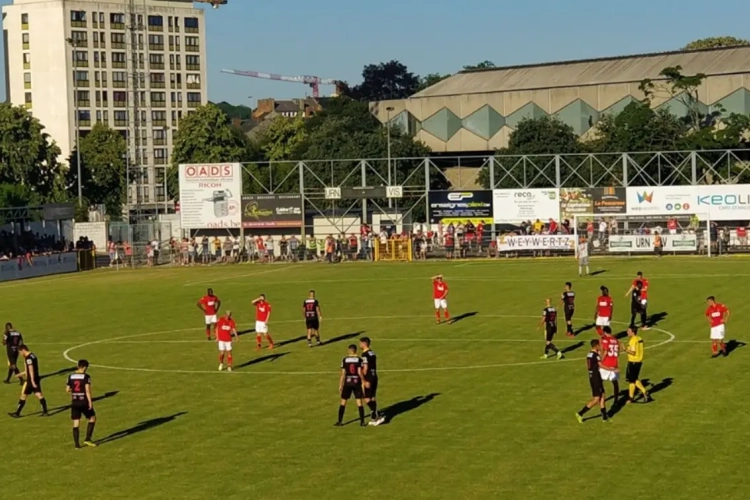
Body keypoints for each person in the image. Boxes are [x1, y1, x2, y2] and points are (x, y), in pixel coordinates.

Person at [576, 339, 612, 423]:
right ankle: (580, 413)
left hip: (592, 376)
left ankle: (604, 417)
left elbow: (591, 364)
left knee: (602, 395)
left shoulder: (589, 354)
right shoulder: (595, 355)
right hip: (596, 377)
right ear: (596, 346)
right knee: (596, 399)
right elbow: (601, 365)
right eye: (599, 345)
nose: (600, 346)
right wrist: (612, 370)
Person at [8, 345, 48, 418]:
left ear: (23, 350)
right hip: (36, 378)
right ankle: (45, 412)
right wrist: (20, 374)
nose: (20, 354)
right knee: (39, 395)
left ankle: (17, 413)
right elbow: (29, 370)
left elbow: (31, 369)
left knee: (23, 396)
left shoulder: (28, 358)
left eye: (20, 352)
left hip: (31, 380)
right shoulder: (33, 355)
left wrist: (32, 381)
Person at [66, 359, 97, 448]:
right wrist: (90, 402)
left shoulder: (70, 376)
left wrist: (74, 390)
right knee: (92, 418)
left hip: (74, 402)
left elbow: (67, 389)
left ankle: (76, 445)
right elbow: (87, 391)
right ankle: (87, 438)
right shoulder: (86, 377)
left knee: (76, 423)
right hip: (83, 402)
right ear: (84, 367)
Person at [335, 344, 366, 427]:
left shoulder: (345, 359)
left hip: (348, 382)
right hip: (356, 382)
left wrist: (340, 384)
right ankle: (362, 422)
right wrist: (363, 381)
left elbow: (343, 373)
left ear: (349, 350)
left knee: (343, 402)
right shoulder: (359, 360)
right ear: (355, 350)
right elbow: (360, 372)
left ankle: (339, 421)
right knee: (359, 402)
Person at [360, 337, 384, 426]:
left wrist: (363, 378)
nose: (360, 345)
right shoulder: (372, 353)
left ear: (364, 343)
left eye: (360, 343)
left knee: (366, 398)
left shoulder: (365, 354)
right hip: (374, 376)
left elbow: (365, 368)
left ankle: (377, 416)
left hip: (368, 377)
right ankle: (374, 417)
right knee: (372, 397)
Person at [624, 327, 652, 404]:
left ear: (633, 332)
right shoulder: (639, 338)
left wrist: (625, 349)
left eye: (629, 331)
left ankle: (644, 391)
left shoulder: (633, 340)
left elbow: (633, 352)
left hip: (633, 361)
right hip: (639, 361)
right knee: (633, 380)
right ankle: (630, 398)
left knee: (632, 379)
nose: (627, 332)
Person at [599, 326, 621, 405]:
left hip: (606, 363)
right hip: (614, 364)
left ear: (605, 332)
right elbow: (618, 353)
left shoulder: (605, 340)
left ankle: (600, 397)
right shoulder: (616, 340)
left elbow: (605, 351)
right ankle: (616, 399)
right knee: (615, 383)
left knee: (599, 381)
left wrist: (601, 360)